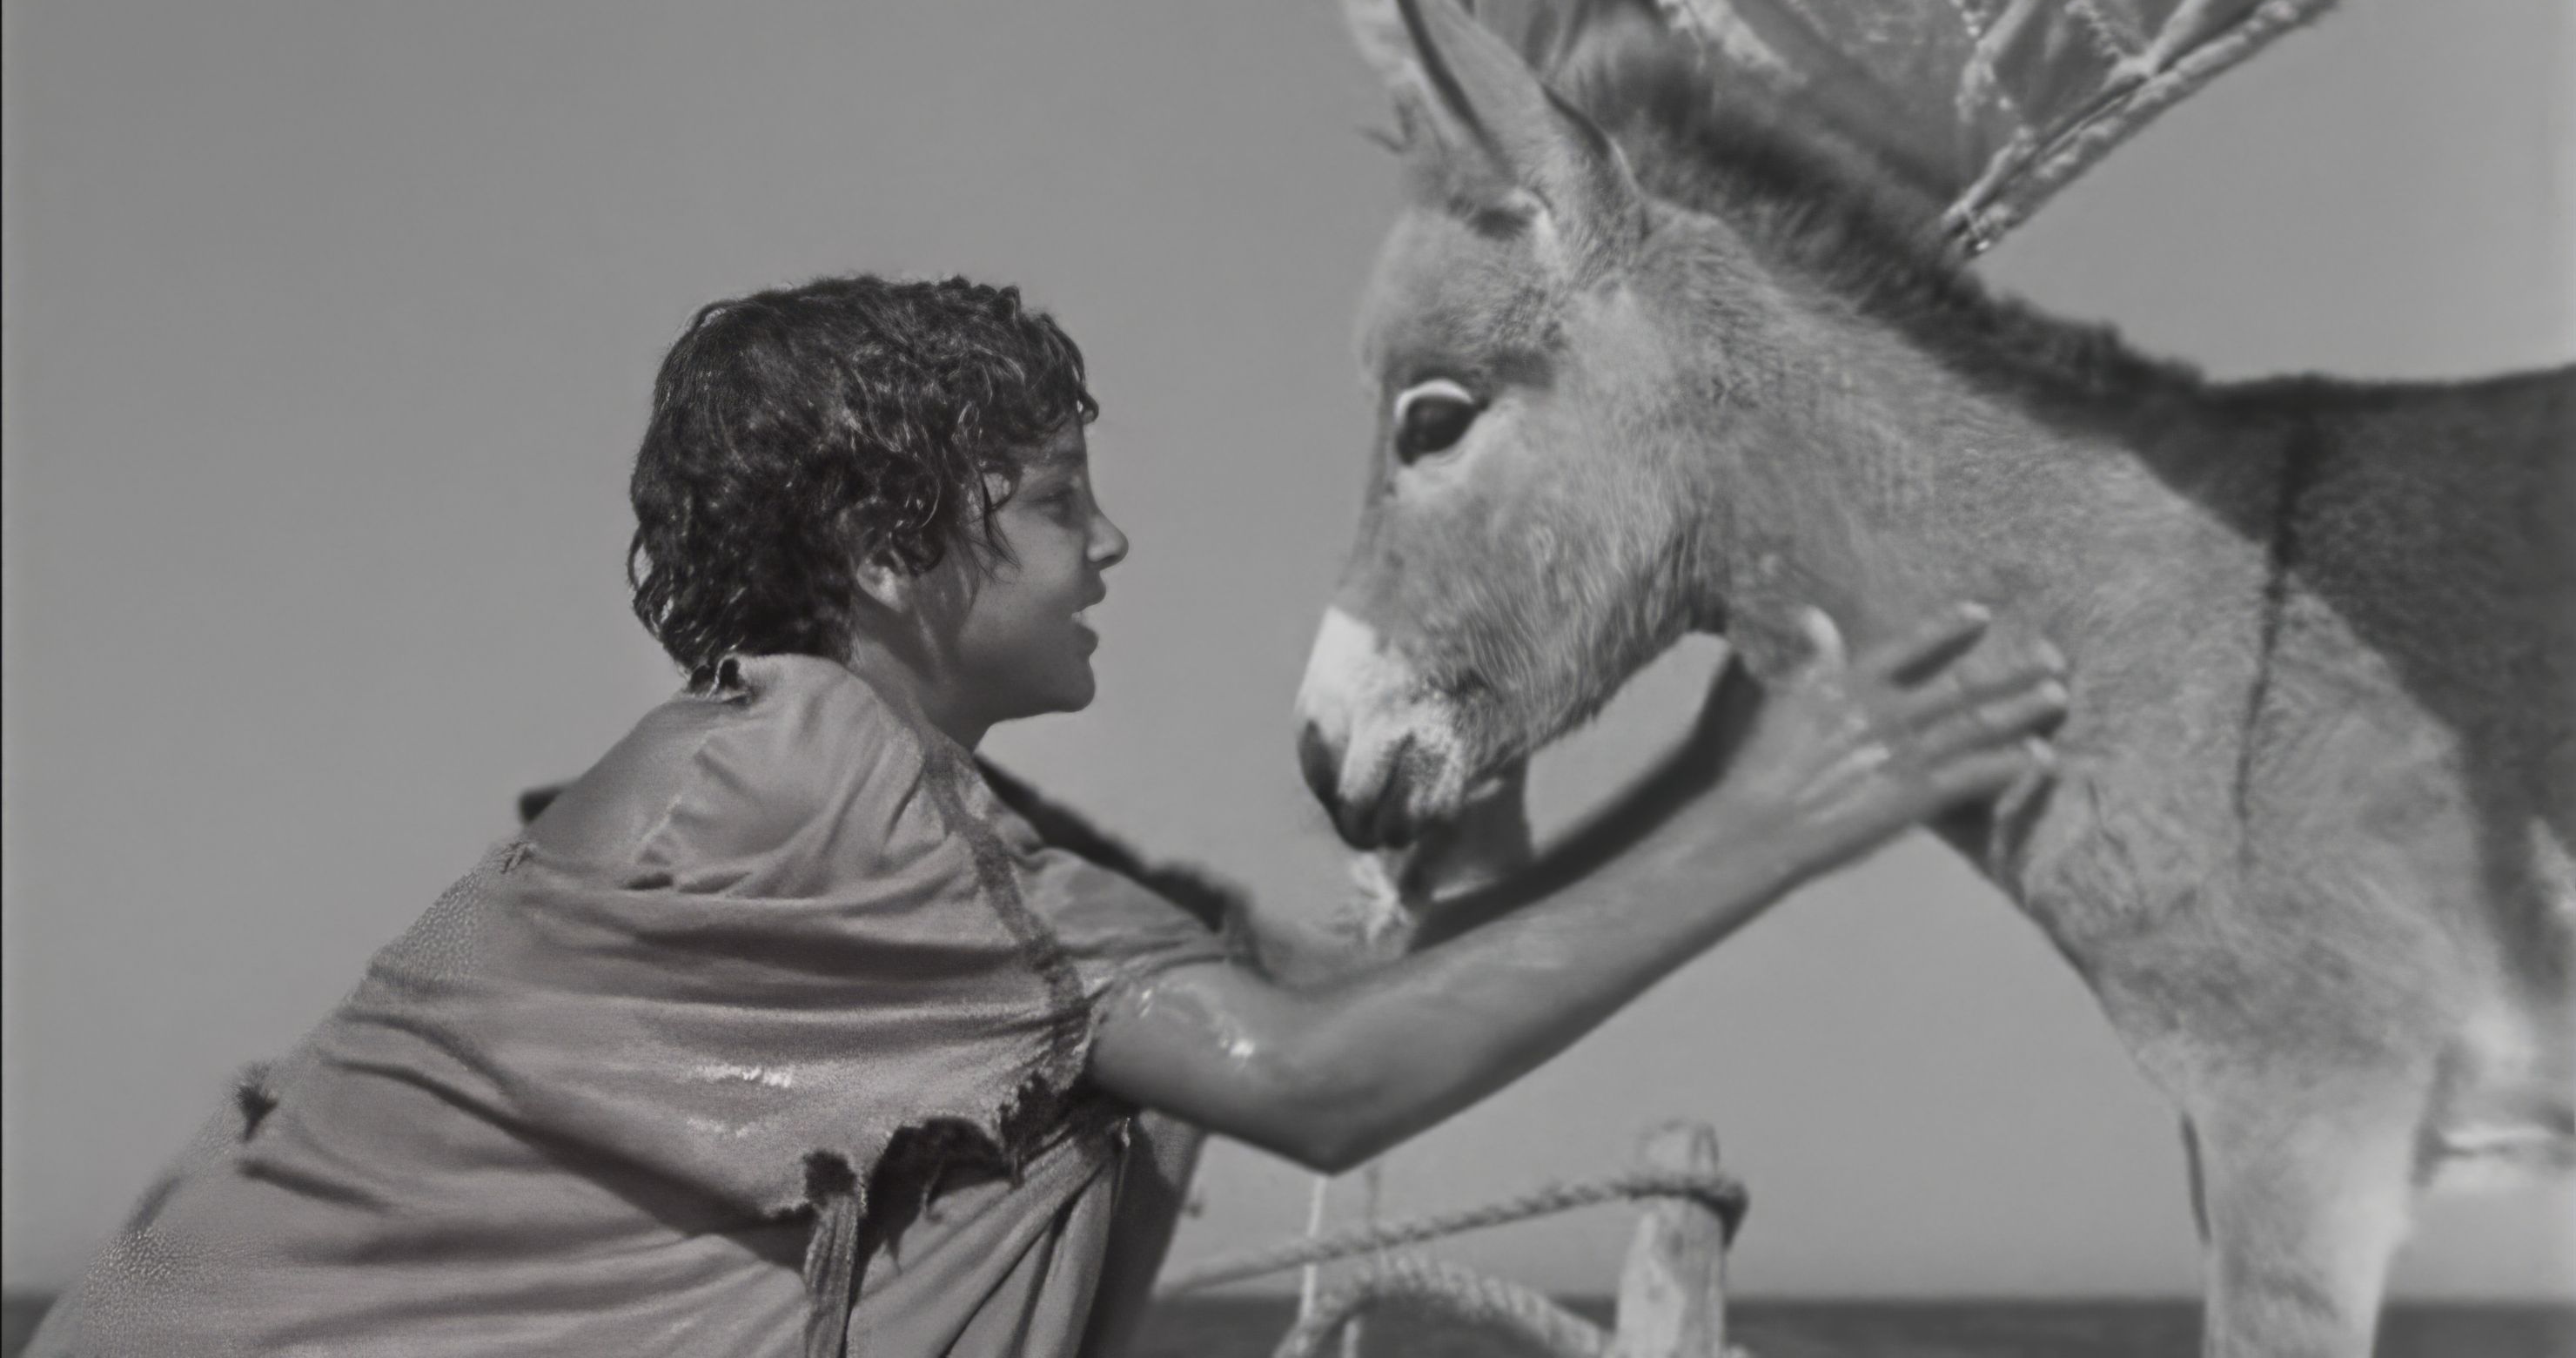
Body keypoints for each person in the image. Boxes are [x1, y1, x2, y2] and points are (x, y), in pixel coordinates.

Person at [30, 274, 2067, 1358]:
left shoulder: (853, 801)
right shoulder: (805, 788)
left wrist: (1673, 767)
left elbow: (1339, 1010)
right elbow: (1317, 1083)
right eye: (1048, 504)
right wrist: (1789, 812)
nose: (1110, 545)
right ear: (884, 550)